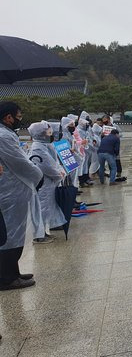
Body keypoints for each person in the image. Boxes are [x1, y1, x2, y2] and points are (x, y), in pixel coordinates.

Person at [0, 102, 44, 291]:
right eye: (18, 116)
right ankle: (7, 278)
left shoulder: (7, 134)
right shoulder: (3, 136)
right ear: (8, 117)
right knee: (11, 234)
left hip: (15, 190)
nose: (20, 119)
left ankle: (13, 272)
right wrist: (38, 176)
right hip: (10, 192)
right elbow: (20, 162)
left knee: (16, 233)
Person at [28, 121, 68, 244]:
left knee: (49, 206)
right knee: (42, 208)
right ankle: (39, 235)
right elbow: (47, 166)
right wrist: (59, 174)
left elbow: (53, 163)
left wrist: (59, 172)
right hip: (44, 183)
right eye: (48, 132)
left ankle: (49, 228)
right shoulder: (38, 148)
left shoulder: (44, 145)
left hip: (49, 183)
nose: (51, 134)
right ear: (41, 134)